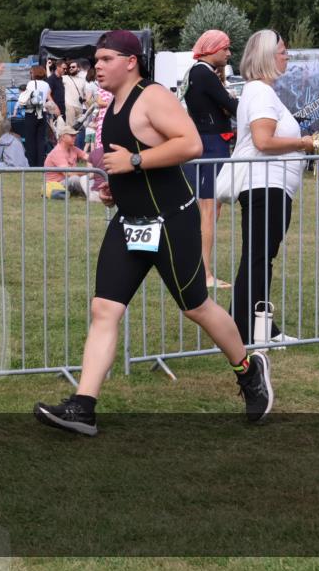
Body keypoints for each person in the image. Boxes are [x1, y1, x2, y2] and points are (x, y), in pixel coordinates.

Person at [34, 30, 273, 436]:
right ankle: (83, 407)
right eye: (97, 60)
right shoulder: (113, 105)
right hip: (129, 221)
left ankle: (249, 371)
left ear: (131, 61)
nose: (98, 67)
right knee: (104, 309)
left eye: (106, 59)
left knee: (196, 307)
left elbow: (191, 143)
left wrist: (136, 160)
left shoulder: (153, 95)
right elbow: (126, 162)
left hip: (170, 221)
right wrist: (116, 187)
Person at [231, 30, 316, 349]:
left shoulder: (261, 92)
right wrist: (303, 142)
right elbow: (263, 141)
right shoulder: (261, 94)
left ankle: (252, 324)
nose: (287, 56)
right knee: (258, 258)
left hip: (269, 186)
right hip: (265, 186)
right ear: (267, 55)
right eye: (282, 51)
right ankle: (247, 329)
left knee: (259, 257)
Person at [182, 30, 240, 289]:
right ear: (212, 49)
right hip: (212, 145)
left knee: (208, 208)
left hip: (207, 142)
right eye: (225, 48)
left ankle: (198, 267)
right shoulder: (204, 73)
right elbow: (231, 105)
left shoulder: (196, 73)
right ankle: (204, 273)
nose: (228, 53)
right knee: (208, 208)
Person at [43, 123, 91, 198]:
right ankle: (91, 194)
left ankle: (92, 192)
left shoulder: (73, 148)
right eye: (71, 135)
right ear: (63, 137)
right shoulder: (57, 152)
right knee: (75, 179)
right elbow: (69, 173)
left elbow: (90, 158)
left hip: (67, 181)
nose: (75, 137)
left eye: (75, 135)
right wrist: (89, 173)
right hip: (56, 185)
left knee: (82, 178)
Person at [22, 65, 56, 167]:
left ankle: (31, 163)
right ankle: (40, 163)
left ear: (34, 73)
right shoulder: (46, 84)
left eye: (31, 73)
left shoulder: (31, 83)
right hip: (42, 112)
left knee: (30, 139)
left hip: (32, 112)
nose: (30, 75)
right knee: (40, 139)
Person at [63, 59, 88, 127]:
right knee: (70, 128)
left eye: (73, 67)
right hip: (69, 105)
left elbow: (84, 95)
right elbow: (51, 78)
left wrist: (88, 108)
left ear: (78, 68)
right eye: (70, 67)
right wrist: (47, 66)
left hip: (79, 107)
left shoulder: (82, 80)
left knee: (79, 128)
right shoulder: (65, 78)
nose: (71, 68)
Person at [46, 59, 66, 124]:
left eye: (66, 69)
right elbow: (48, 94)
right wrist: (55, 107)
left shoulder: (62, 78)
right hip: (55, 109)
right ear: (58, 67)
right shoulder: (51, 79)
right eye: (64, 68)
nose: (65, 70)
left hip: (62, 108)